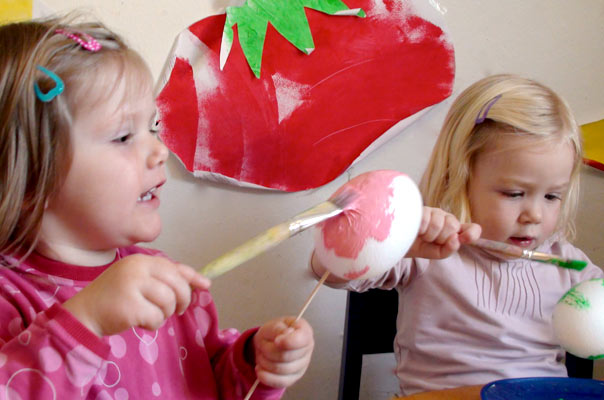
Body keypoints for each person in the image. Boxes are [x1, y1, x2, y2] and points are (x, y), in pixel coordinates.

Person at [0, 15, 313, 399]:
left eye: (152, 127)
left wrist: (251, 362)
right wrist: (87, 321)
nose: (159, 150)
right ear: (31, 176)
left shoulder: (162, 279)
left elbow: (205, 380)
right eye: (122, 136)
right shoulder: (9, 299)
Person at [310, 74, 604, 395]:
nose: (534, 215)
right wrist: (401, 240)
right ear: (460, 177)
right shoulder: (429, 251)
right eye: (514, 193)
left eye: (552, 197)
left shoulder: (568, 266)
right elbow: (328, 271)